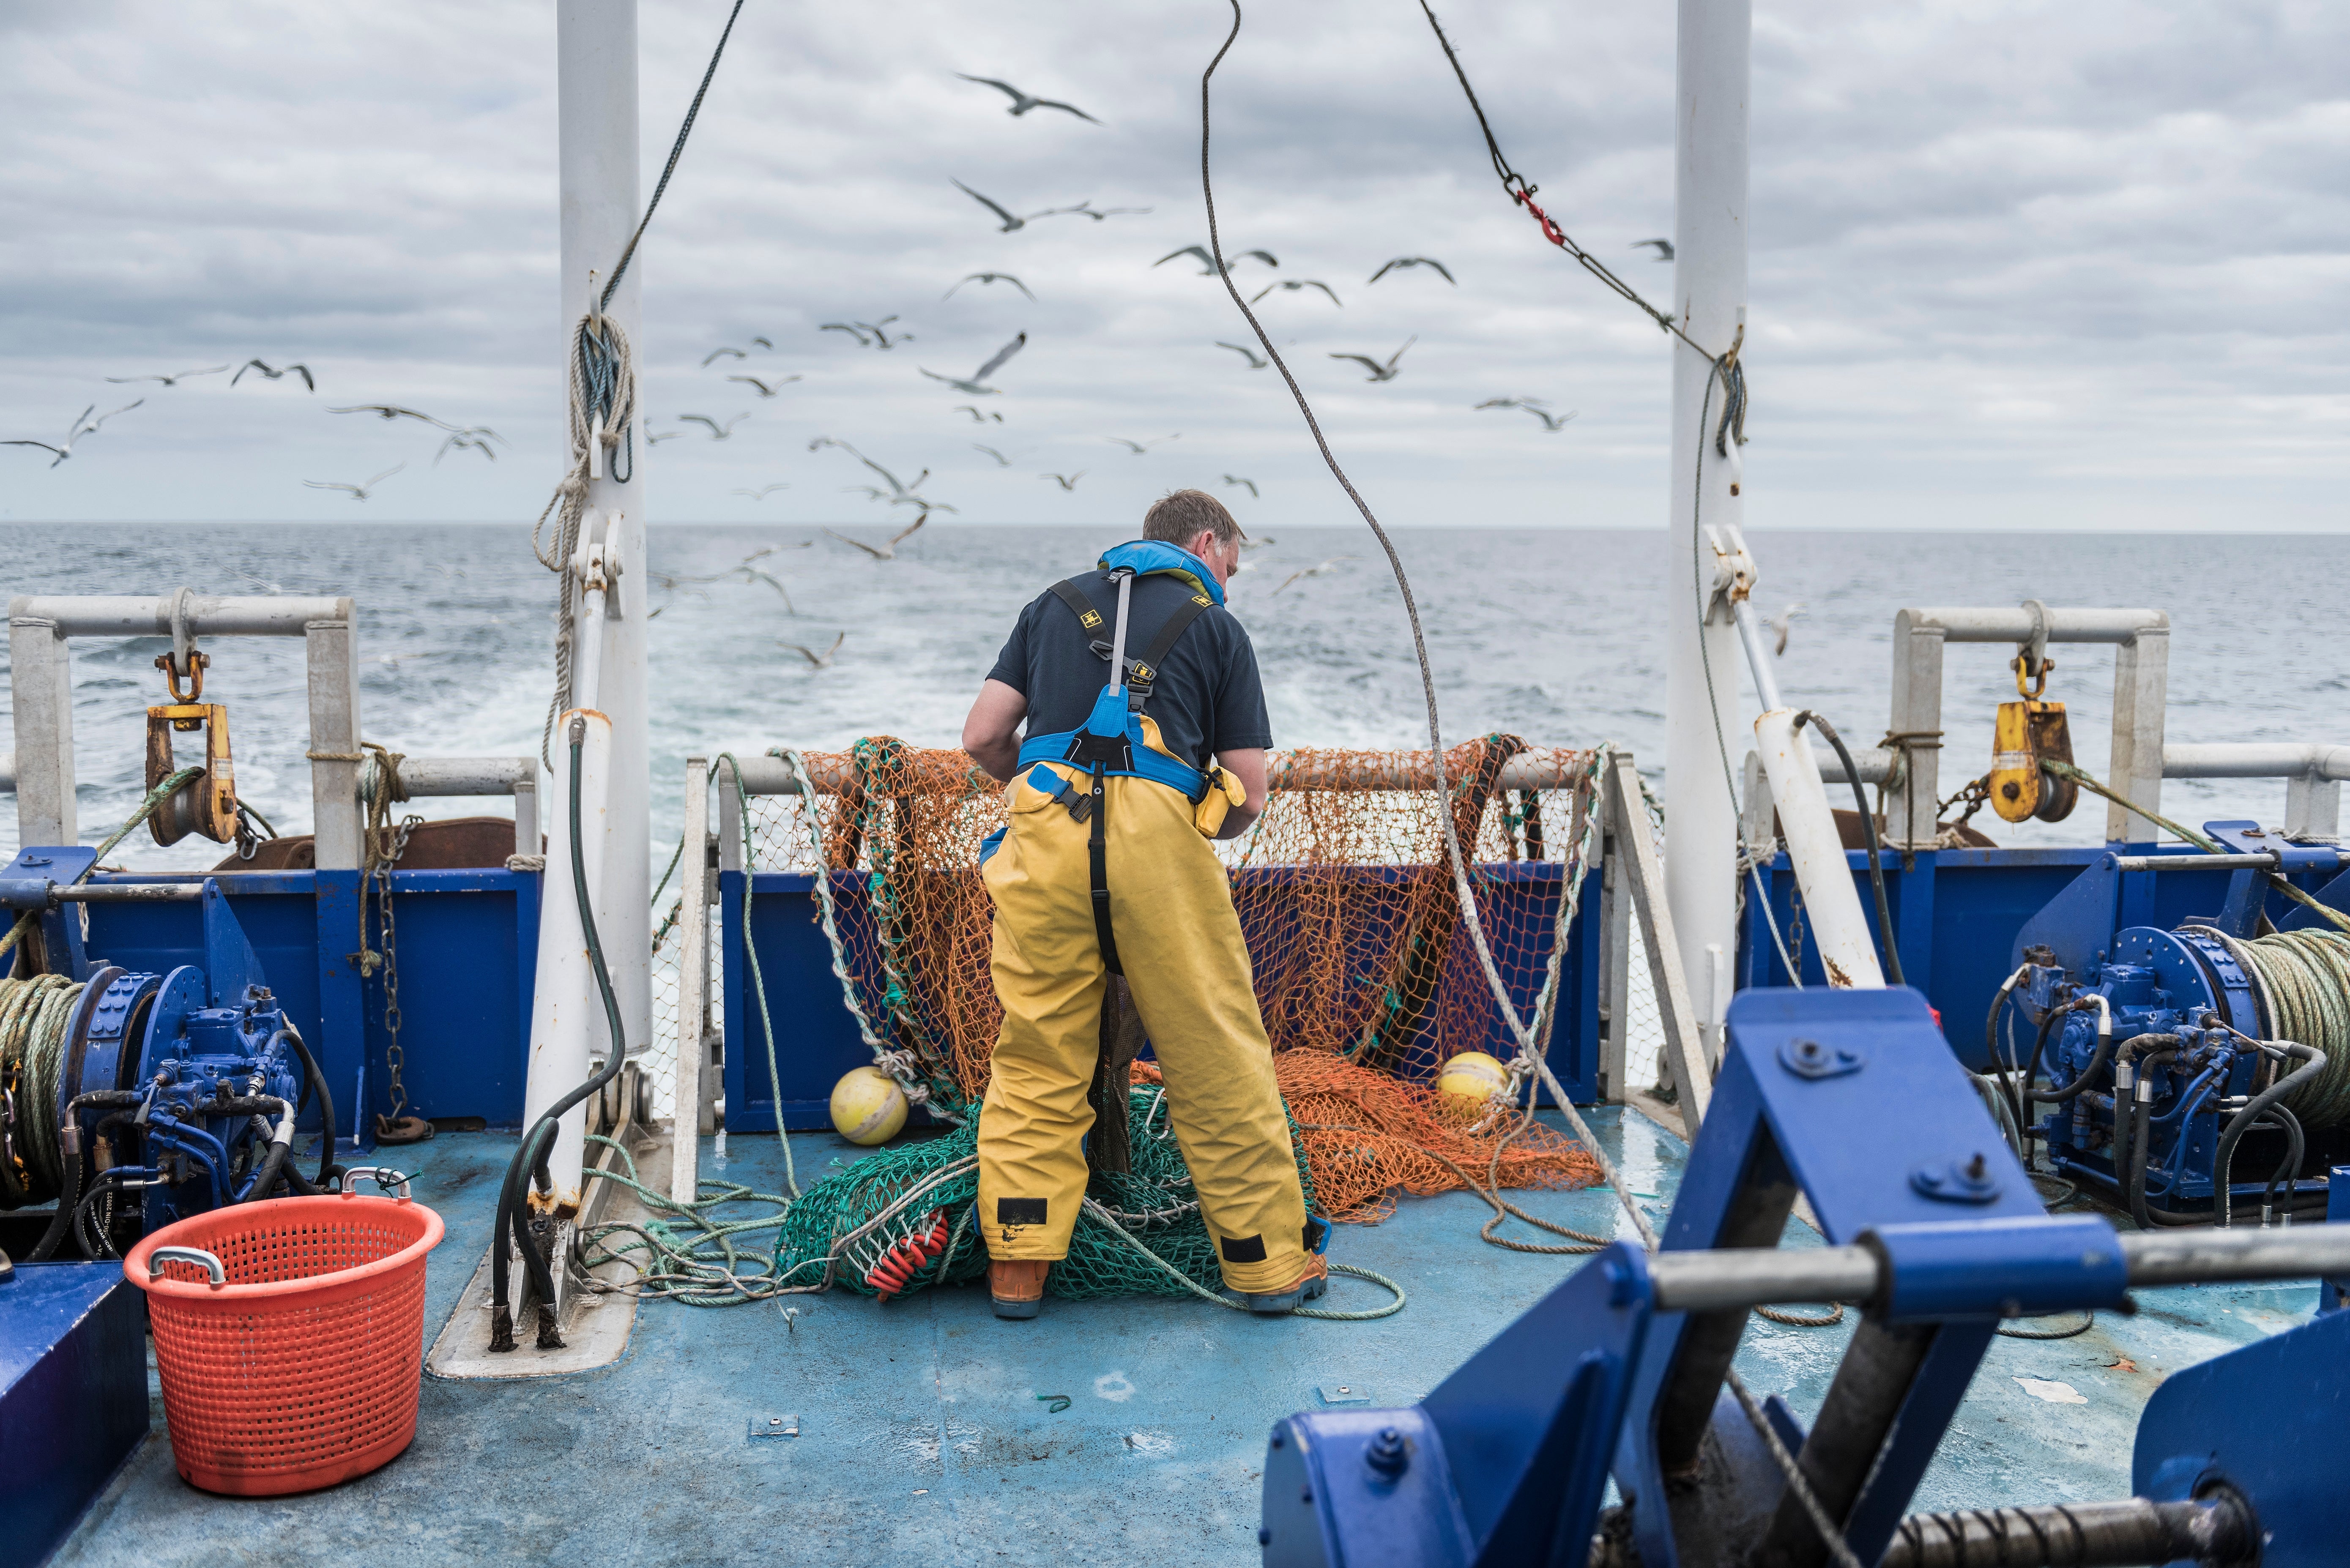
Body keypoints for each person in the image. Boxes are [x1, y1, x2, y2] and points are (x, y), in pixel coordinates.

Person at [960, 488, 1327, 1319]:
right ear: (1205, 543)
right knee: (1212, 1054)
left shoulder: (1050, 607)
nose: (1228, 582)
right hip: (1159, 851)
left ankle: (1018, 1265)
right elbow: (1248, 796)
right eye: (1229, 565)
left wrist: (1040, 777)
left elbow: (982, 736)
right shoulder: (1217, 628)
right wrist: (1202, 811)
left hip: (1045, 833)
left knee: (1038, 1049)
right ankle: (1267, 1267)